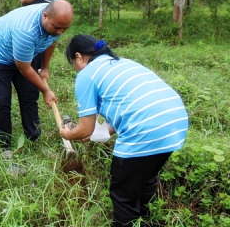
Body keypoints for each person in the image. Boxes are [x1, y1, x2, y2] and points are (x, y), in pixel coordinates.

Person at [62, 34, 189, 227]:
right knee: (145, 175)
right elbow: (133, 104)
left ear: (79, 56)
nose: (76, 68)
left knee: (122, 193)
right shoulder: (123, 63)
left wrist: (67, 134)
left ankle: (129, 220)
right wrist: (105, 130)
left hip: (145, 128)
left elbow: (85, 130)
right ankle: (143, 218)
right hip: (174, 122)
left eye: (74, 63)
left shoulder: (86, 75)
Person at [0, 0, 74, 151]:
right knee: (2, 101)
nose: (60, 32)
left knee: (30, 97)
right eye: (57, 28)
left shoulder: (57, 23)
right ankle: (5, 147)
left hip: (26, 51)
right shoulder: (26, 30)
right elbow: (23, 68)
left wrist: (44, 67)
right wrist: (46, 90)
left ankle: (33, 139)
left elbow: (51, 43)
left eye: (65, 29)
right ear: (45, 16)